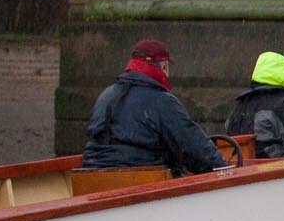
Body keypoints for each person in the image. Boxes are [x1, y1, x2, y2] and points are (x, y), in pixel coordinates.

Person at [82, 39, 230, 176]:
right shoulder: (162, 101)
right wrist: (223, 169)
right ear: (164, 67)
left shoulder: (105, 96)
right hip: (140, 180)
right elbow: (194, 148)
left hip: (92, 176)